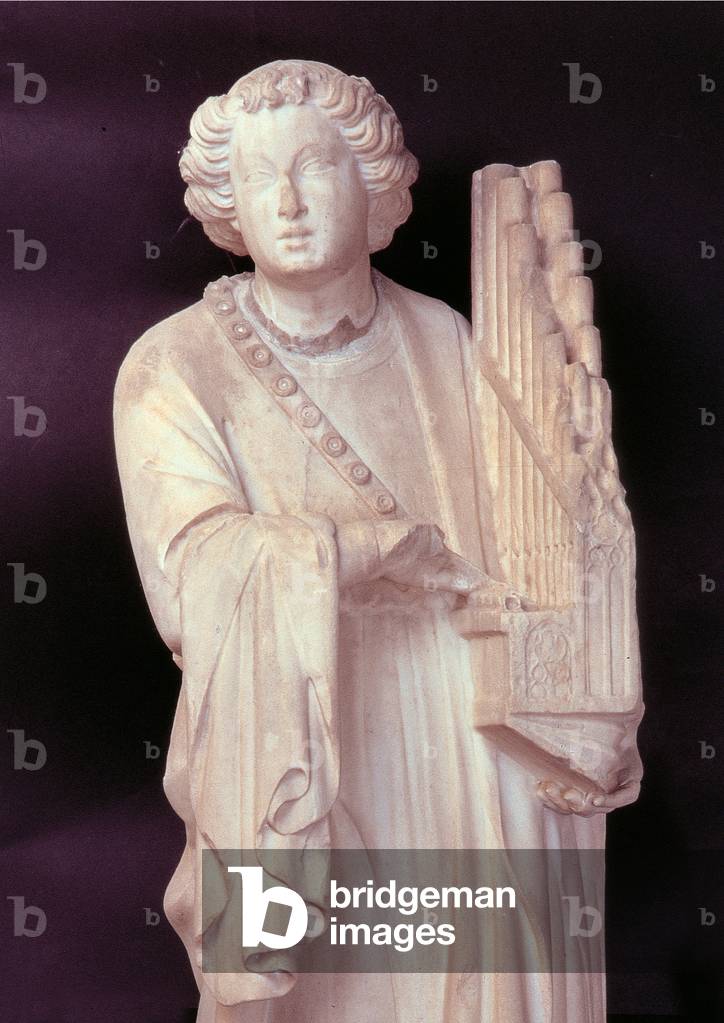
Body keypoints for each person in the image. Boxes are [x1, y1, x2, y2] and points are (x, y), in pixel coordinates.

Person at [114, 59, 642, 1022]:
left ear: (374, 187)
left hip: (464, 753)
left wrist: (582, 694)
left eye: (315, 167)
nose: (287, 203)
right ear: (227, 204)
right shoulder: (172, 366)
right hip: (311, 748)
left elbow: (539, 561)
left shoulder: (449, 341)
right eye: (259, 178)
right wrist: (367, 551)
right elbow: (193, 584)